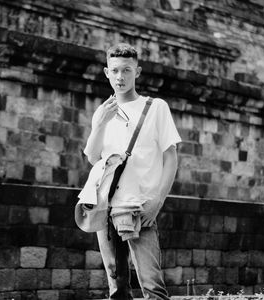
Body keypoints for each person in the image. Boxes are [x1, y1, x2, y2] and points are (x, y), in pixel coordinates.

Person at [83, 43, 181, 300]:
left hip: (141, 207)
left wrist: (158, 201)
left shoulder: (156, 107)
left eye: (127, 70)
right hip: (106, 206)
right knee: (117, 287)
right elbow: (93, 157)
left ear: (137, 72)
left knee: (152, 285)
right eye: (115, 71)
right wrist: (101, 123)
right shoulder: (102, 112)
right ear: (107, 72)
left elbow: (170, 159)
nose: (120, 77)